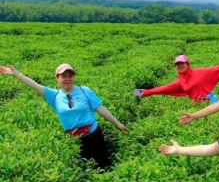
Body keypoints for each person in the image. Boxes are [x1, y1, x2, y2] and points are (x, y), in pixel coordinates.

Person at [0, 63, 128, 168]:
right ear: (57, 78)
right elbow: (34, 85)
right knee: (86, 170)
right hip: (76, 140)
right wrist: (16, 74)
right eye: (63, 76)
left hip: (94, 135)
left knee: (104, 165)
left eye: (70, 76)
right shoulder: (53, 96)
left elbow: (100, 109)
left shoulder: (85, 91)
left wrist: (117, 123)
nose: (67, 79)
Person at [133, 55, 219, 104]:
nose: (180, 66)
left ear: (187, 64)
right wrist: (143, 93)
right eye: (178, 64)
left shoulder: (200, 72)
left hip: (211, 101)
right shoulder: (181, 82)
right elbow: (162, 89)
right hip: (197, 104)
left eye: (182, 63)